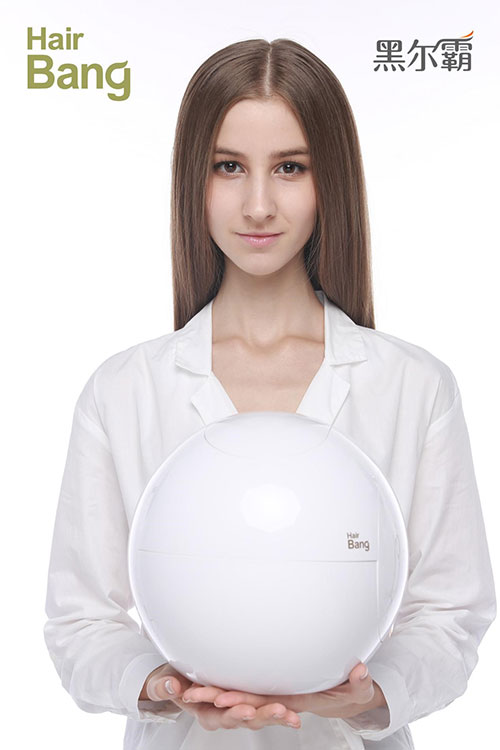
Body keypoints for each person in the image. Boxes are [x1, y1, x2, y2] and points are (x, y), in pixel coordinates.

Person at [43, 38, 496, 750]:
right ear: (193, 180)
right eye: (229, 167)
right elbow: (80, 622)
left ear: (330, 180)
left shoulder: (413, 386)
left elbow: (450, 614)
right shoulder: (124, 391)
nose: (258, 205)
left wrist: (372, 695)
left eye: (290, 167)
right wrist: (160, 685)